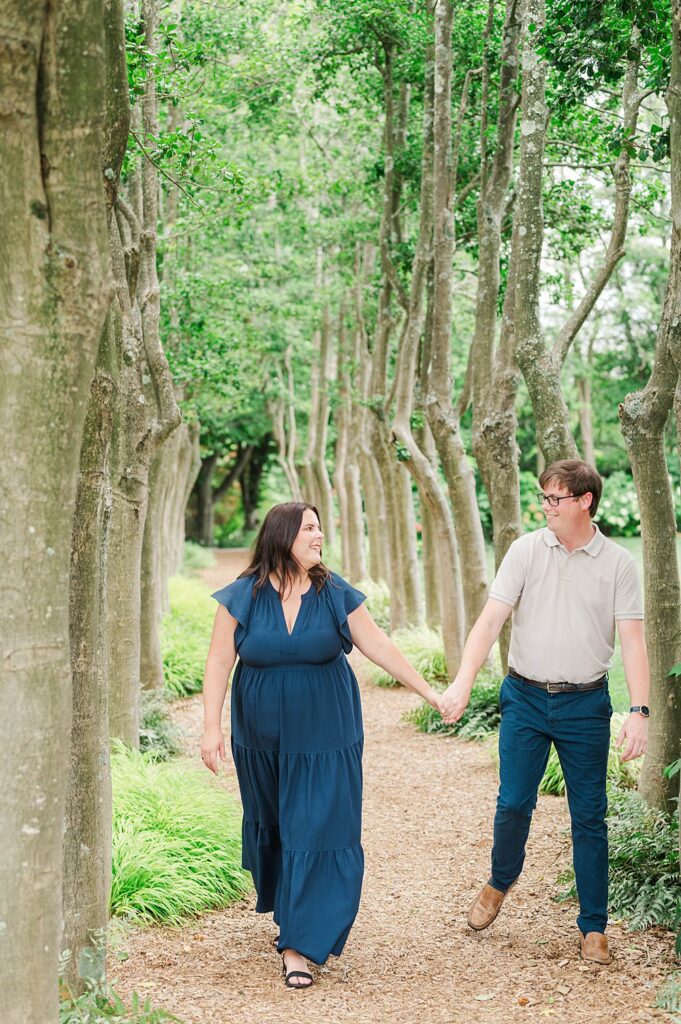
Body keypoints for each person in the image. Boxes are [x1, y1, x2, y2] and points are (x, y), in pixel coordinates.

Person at [201, 502, 441, 988]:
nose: (319, 534)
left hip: (327, 734)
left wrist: (430, 693)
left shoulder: (335, 594)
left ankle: (298, 945)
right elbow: (218, 662)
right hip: (260, 739)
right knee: (279, 824)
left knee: (317, 827)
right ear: (283, 534)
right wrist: (210, 728)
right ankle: (290, 913)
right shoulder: (242, 597)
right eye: (309, 527)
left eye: (319, 527)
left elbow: (380, 647)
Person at [440, 460, 649, 965]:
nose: (546, 507)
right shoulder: (526, 550)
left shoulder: (619, 563)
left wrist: (639, 711)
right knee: (513, 803)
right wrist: (464, 682)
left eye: (556, 499)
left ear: (585, 502)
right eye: (544, 498)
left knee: (589, 816)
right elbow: (490, 622)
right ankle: (499, 880)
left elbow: (634, 643)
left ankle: (594, 926)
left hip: (585, 704)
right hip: (526, 698)